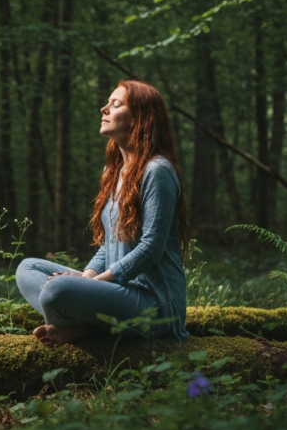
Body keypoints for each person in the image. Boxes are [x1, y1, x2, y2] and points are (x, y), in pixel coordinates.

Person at [15, 79, 191, 347]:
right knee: (27, 268)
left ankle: (79, 330)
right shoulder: (113, 172)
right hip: (119, 292)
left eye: (115, 104)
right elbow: (111, 243)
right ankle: (85, 329)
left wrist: (95, 283)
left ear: (139, 118)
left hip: (155, 304)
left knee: (56, 290)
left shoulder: (158, 171)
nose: (104, 108)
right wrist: (87, 277)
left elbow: (151, 248)